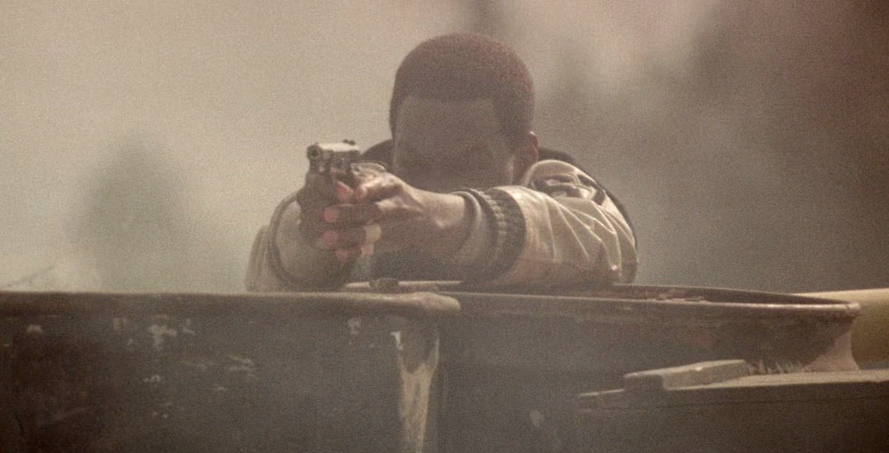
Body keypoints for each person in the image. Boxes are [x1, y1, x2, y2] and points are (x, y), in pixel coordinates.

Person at [246, 33, 637, 292]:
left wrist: (440, 218)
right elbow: (275, 269)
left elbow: (604, 242)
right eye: (414, 164)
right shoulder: (373, 194)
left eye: (468, 166)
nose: (434, 186)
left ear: (524, 156)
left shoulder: (554, 186)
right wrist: (319, 232)